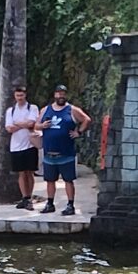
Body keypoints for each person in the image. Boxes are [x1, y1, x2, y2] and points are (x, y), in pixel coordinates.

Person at [36, 84, 89, 215]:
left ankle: (70, 205)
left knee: (68, 180)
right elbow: (36, 125)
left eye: (63, 93)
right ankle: (50, 204)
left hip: (66, 153)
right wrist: (42, 125)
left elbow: (86, 119)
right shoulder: (45, 110)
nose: (61, 96)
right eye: (58, 93)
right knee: (50, 181)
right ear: (54, 95)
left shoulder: (71, 110)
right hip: (49, 153)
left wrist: (79, 132)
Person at [1, 85, 43, 207]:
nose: (19, 98)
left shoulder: (32, 108)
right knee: (21, 173)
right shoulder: (11, 111)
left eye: (21, 95)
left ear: (25, 95)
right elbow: (9, 128)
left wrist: (18, 124)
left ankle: (29, 197)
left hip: (30, 144)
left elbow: (32, 123)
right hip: (16, 145)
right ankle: (24, 197)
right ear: (14, 96)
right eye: (17, 95)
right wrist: (24, 124)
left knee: (30, 172)